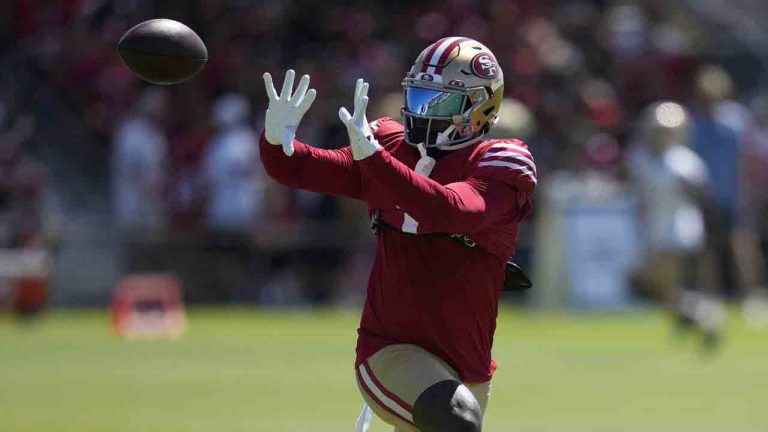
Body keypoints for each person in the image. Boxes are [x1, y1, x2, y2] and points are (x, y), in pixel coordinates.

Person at [260, 37, 537, 432]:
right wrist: (275, 140)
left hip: (466, 365)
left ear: (482, 105)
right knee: (455, 420)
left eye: (441, 101)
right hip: (389, 351)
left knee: (456, 416)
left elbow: (453, 211)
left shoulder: (500, 160)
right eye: (420, 97)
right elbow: (299, 168)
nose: (424, 112)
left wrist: (377, 161)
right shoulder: (389, 143)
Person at [628, 102, 723, 347]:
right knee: (658, 287)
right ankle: (693, 317)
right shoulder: (642, 158)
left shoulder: (685, 162)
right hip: (655, 230)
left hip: (677, 230)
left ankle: (704, 316)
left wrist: (690, 188)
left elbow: (703, 196)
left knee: (658, 286)